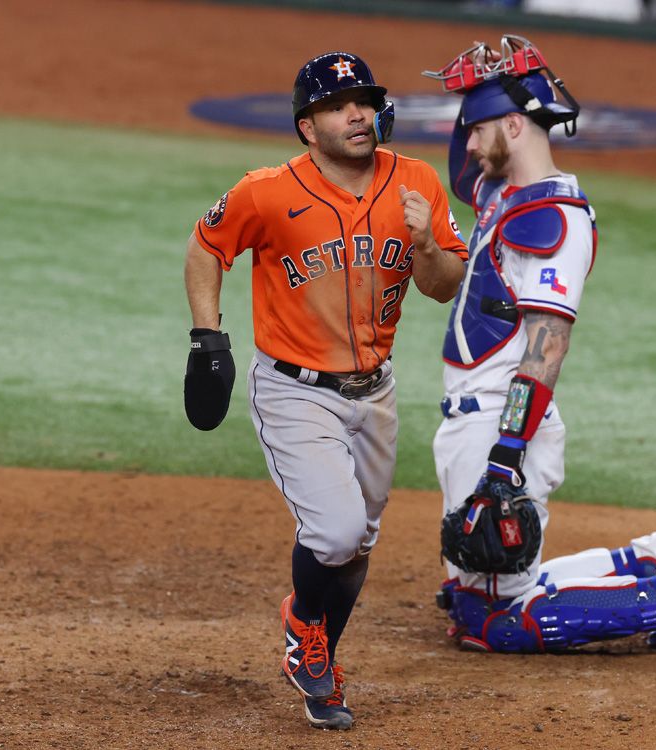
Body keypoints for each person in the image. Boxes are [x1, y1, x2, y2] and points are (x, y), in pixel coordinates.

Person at [424, 35, 656, 665]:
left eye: (477, 123)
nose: (464, 135)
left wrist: (502, 460)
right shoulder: (503, 194)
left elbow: (546, 351)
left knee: (494, 624)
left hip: (500, 421)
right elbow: (467, 171)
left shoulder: (552, 219)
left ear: (513, 126)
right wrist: (496, 90)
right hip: (475, 417)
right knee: (470, 600)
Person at [182, 51, 467, 730]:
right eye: (341, 105)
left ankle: (317, 651)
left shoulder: (417, 181)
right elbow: (205, 248)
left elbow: (444, 286)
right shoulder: (265, 191)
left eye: (364, 100)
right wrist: (208, 339)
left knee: (358, 543)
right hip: (295, 391)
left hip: (377, 392)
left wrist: (428, 246)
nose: (358, 114)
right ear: (308, 126)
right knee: (335, 533)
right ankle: (305, 624)